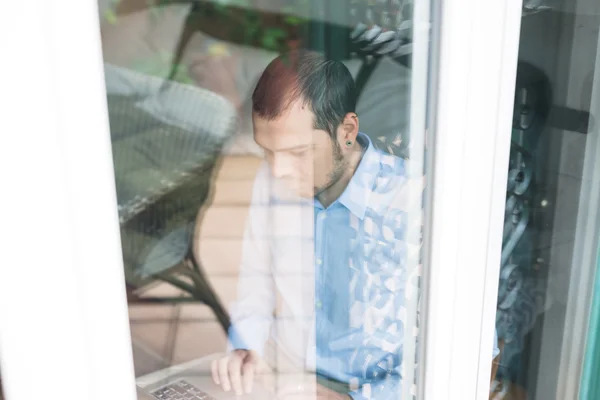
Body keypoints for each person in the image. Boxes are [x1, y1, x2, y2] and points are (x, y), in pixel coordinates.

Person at [210, 50, 498, 399]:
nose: (277, 170)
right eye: (267, 152)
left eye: (296, 153)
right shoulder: (270, 181)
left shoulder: (416, 204)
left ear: (346, 132)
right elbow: (256, 278)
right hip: (290, 383)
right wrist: (245, 346)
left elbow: (475, 356)